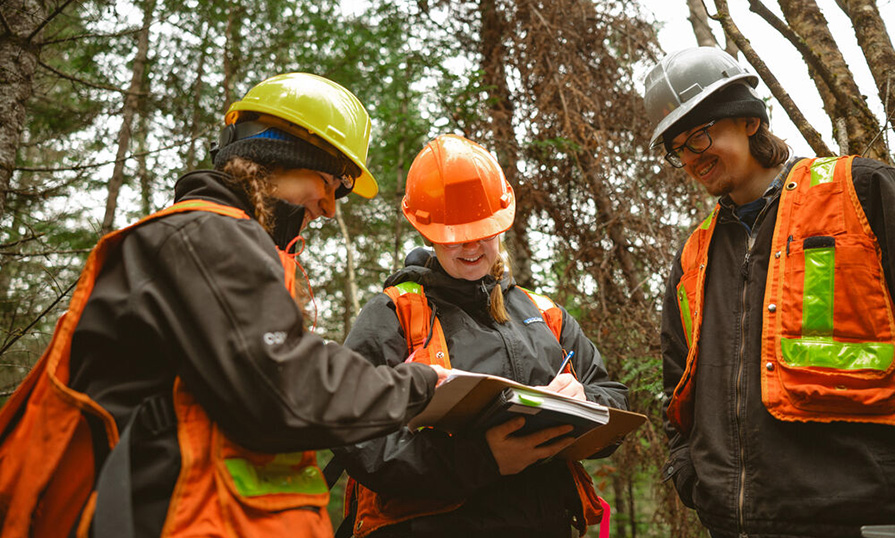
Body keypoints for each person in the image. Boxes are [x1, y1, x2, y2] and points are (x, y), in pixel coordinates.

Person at [0, 72, 447, 538]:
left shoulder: (211, 244)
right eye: (331, 183)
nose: (329, 208)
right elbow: (283, 388)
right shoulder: (207, 236)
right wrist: (421, 384)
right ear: (283, 155)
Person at [645, 47, 895, 538]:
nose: (694, 158)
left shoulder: (859, 192)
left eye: (700, 135)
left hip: (858, 517)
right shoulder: (695, 254)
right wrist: (688, 473)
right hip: (730, 523)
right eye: (680, 149)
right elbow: (678, 378)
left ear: (747, 121)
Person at [330, 134, 629, 538]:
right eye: (455, 235)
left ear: (501, 224)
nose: (471, 245)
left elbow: (612, 396)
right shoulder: (397, 312)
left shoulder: (544, 314)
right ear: (428, 231)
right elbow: (355, 435)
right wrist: (484, 459)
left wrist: (583, 401)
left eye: (483, 231)